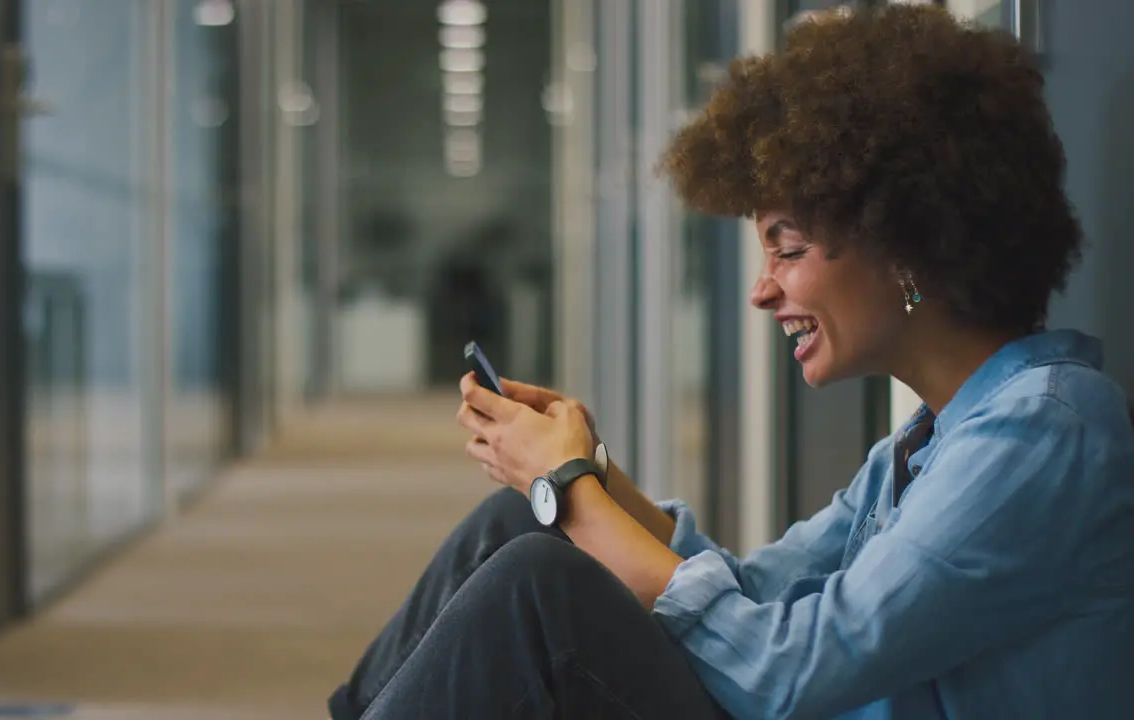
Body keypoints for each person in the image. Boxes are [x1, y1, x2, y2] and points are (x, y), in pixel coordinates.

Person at [328, 5, 1134, 719]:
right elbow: (753, 591)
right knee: (520, 526)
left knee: (540, 583)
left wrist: (570, 491)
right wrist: (595, 477)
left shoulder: (1047, 431)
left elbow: (790, 669)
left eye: (788, 249)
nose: (761, 290)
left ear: (908, 240)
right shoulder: (919, 450)